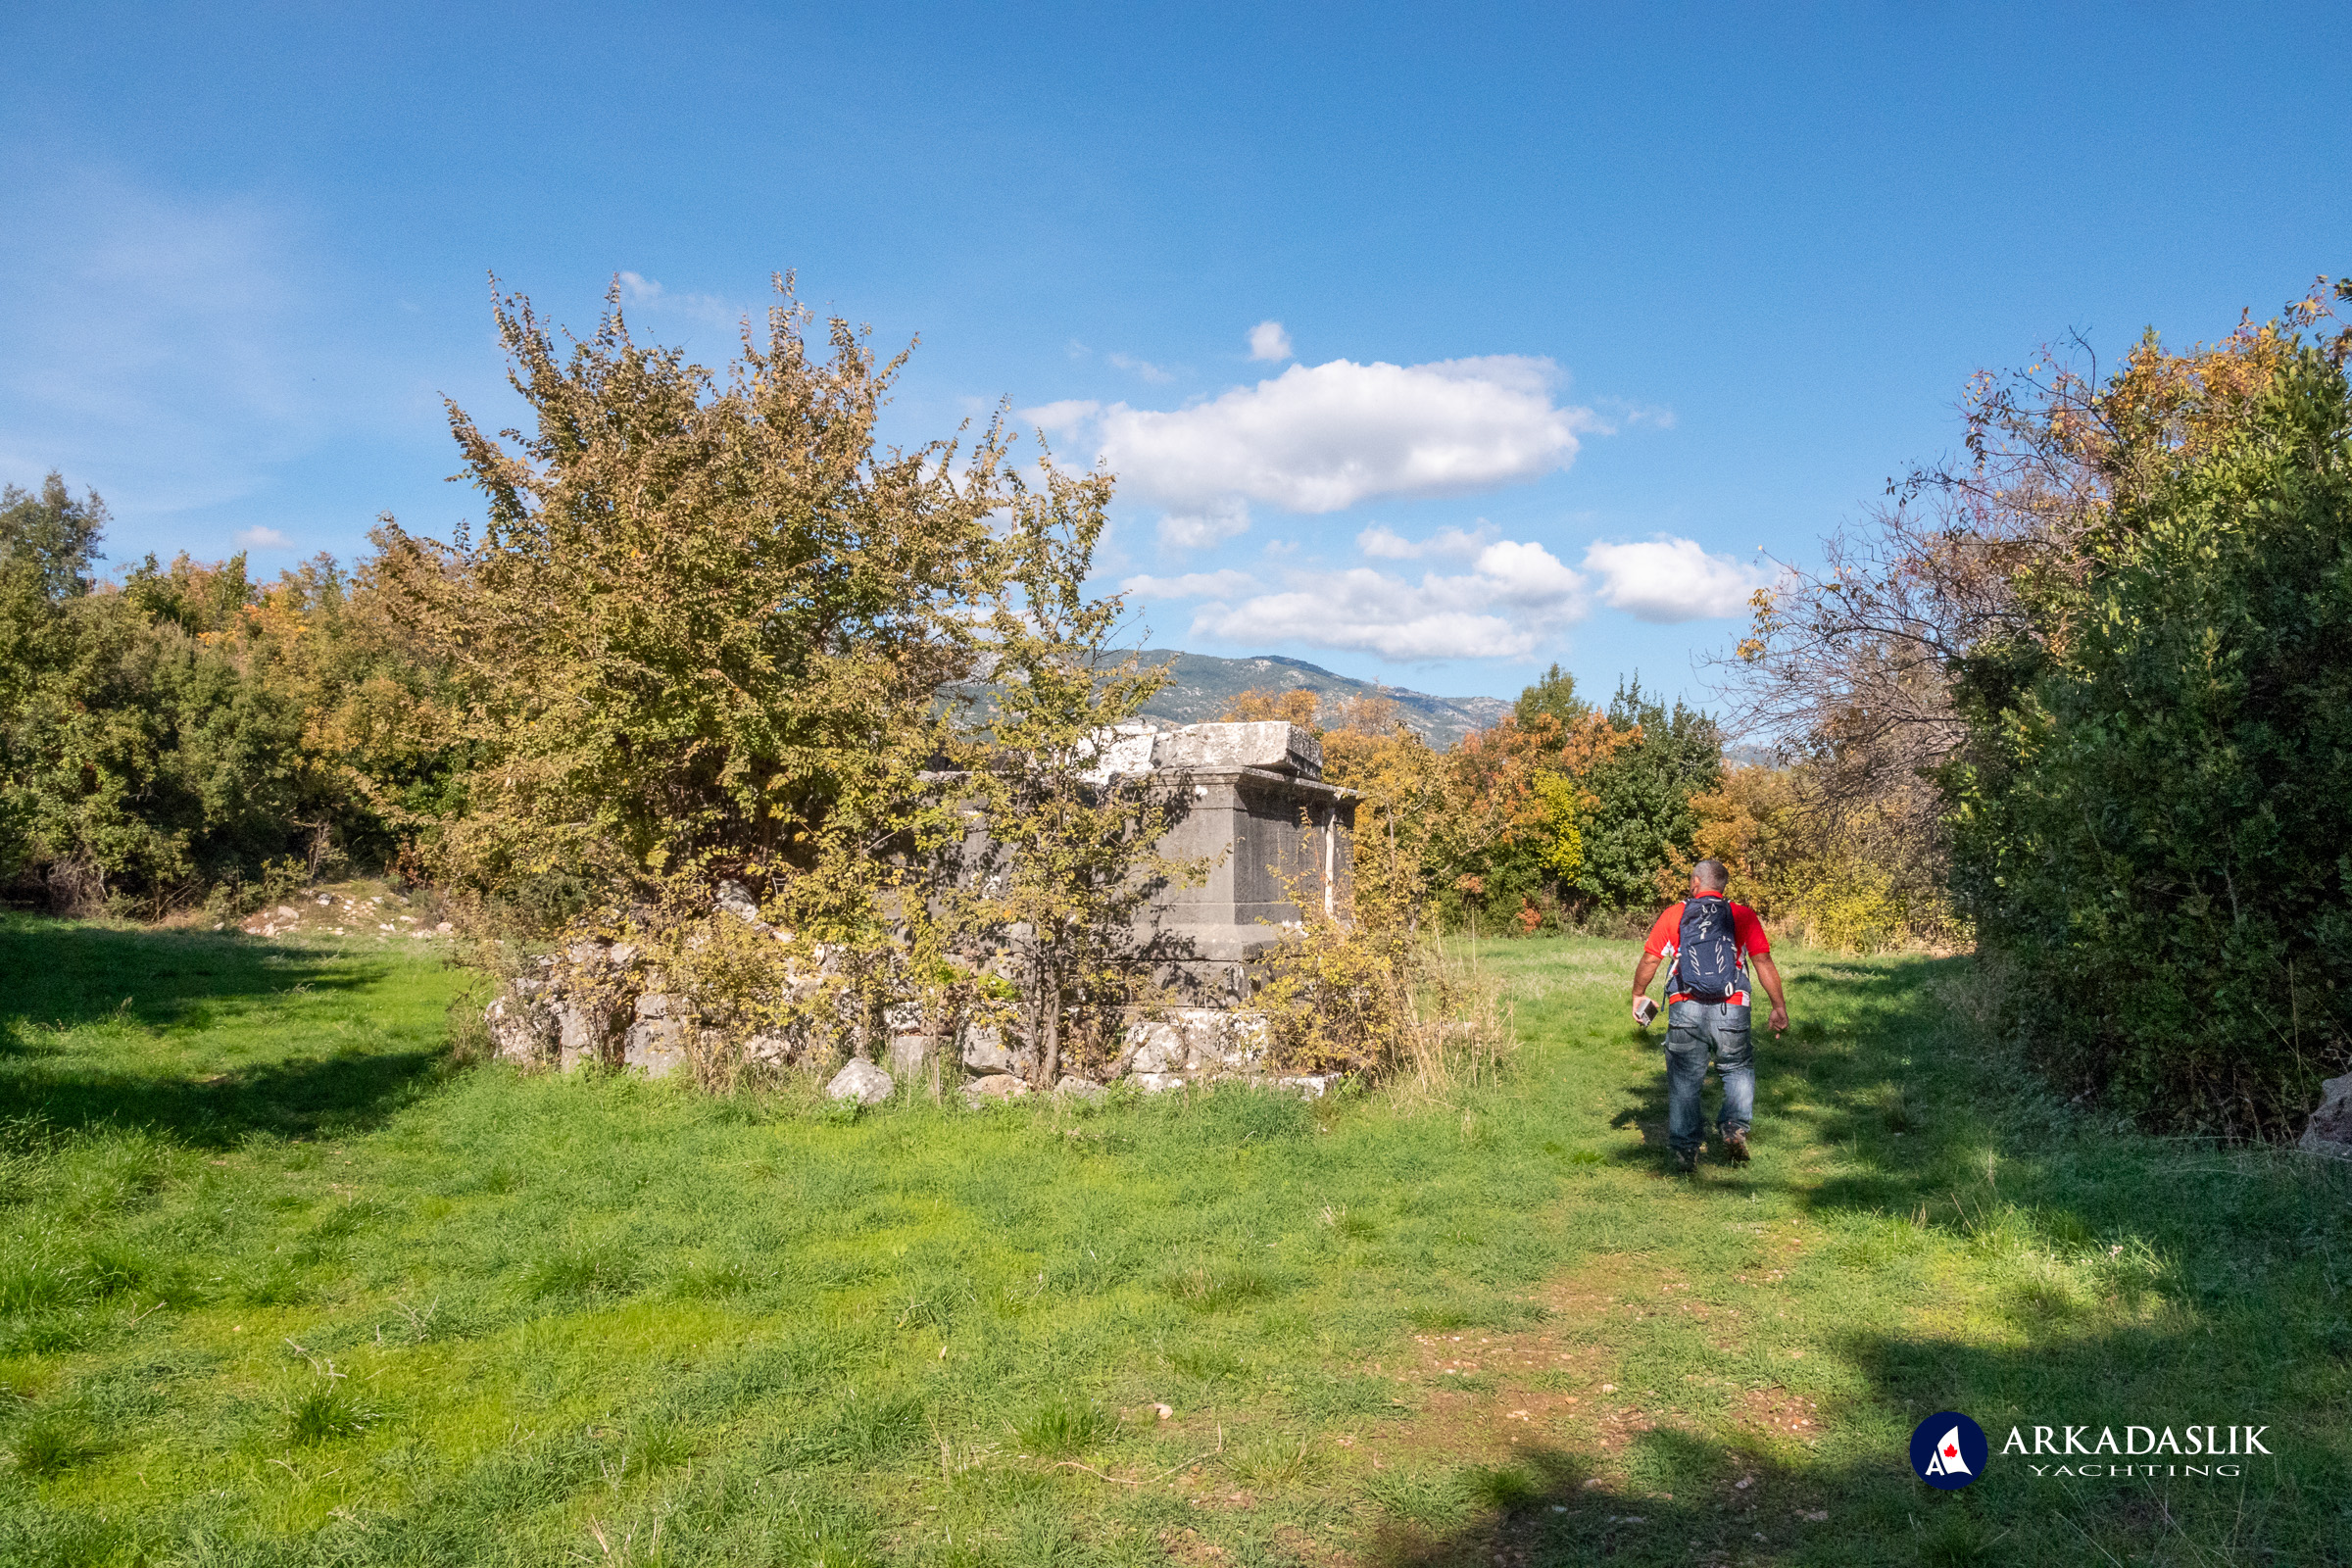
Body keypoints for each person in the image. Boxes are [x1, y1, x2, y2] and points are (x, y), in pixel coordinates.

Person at [1630, 858, 1788, 1173]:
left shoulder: (1675, 914)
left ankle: (1686, 1151)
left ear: (1695, 883)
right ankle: (1733, 1128)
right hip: (1733, 1004)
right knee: (1737, 1067)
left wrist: (1638, 993)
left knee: (1685, 1076)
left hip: (1686, 1003)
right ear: (1723, 886)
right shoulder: (1741, 915)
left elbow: (1650, 959)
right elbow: (1763, 961)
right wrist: (1778, 1006)